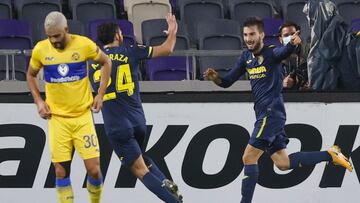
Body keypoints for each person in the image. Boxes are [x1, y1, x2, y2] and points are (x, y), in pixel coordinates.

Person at [203, 17, 352, 203]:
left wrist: (293, 44)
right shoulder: (245, 58)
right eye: (245, 35)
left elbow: (284, 51)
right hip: (266, 117)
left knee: (248, 157)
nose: (248, 38)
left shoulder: (272, 53)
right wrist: (215, 78)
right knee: (283, 163)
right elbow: (227, 82)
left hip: (271, 114)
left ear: (262, 35)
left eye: (252, 34)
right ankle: (330, 154)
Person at [88, 13, 183, 203]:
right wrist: (172, 31)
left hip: (117, 127)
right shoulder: (131, 51)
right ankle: (166, 183)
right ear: (118, 36)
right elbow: (167, 49)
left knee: (138, 170)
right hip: (138, 122)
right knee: (141, 159)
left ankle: (174, 200)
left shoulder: (92, 64)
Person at [26, 11, 112, 203]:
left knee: (94, 169)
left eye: (56, 36)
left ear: (66, 29)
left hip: (82, 117)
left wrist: (100, 94)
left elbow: (106, 62)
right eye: (49, 36)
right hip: (57, 119)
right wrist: (39, 101)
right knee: (60, 170)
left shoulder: (83, 45)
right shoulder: (41, 49)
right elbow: (30, 75)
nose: (53, 40)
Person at [278, 22, 309, 90]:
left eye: (293, 34)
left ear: (298, 35)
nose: (291, 37)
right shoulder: (277, 57)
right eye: (286, 35)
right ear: (280, 39)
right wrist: (282, 84)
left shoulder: (308, 50)